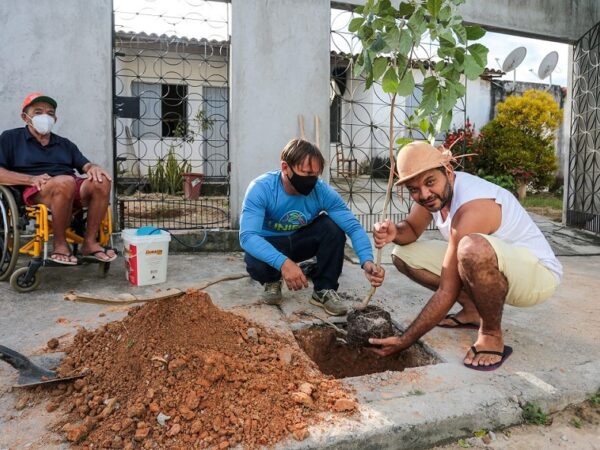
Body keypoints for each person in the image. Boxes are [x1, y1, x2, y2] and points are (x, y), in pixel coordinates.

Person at [370, 141, 562, 370]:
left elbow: (447, 290)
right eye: (414, 189)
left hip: (536, 276)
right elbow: (410, 230)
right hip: (497, 266)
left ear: (448, 171)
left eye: (430, 182)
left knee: (470, 248)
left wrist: (405, 340)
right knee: (403, 253)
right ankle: (472, 311)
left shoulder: (473, 206)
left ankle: (491, 334)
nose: (424, 194)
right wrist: (395, 232)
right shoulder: (433, 195)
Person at [239, 138, 385, 316]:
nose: (311, 180)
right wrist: (283, 263)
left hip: (301, 241)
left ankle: (324, 290)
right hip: (272, 242)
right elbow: (248, 237)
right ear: (285, 168)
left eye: (315, 175)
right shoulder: (261, 188)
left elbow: (353, 227)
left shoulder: (322, 192)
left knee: (332, 227)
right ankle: (272, 280)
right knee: (255, 259)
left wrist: (367, 260)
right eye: (306, 173)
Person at [0, 92, 116, 264]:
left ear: (55, 118)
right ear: (25, 117)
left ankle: (89, 242)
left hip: (70, 185)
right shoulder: (10, 138)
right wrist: (30, 179)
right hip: (37, 188)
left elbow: (85, 165)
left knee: (102, 180)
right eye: (38, 112)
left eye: (50, 113)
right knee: (65, 182)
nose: (45, 117)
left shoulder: (64, 143)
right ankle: (60, 244)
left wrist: (94, 167)